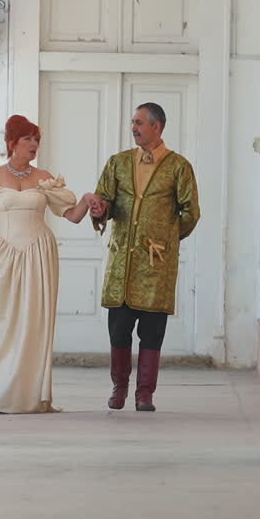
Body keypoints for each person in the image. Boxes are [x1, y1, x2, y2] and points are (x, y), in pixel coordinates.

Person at [0, 115, 93, 414]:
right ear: (12, 143)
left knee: (30, 323)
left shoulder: (45, 178)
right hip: (0, 253)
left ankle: (21, 392)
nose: (34, 145)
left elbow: (72, 216)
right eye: (27, 139)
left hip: (38, 254)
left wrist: (87, 200)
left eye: (37, 140)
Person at [84, 103, 201, 412]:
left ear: (156, 127)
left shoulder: (179, 166)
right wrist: (100, 210)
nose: (133, 127)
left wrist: (168, 240)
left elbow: (191, 212)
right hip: (123, 261)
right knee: (118, 330)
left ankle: (145, 394)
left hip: (156, 265)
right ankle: (119, 388)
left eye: (139, 122)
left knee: (152, 331)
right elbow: (105, 200)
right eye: (132, 123)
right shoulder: (118, 163)